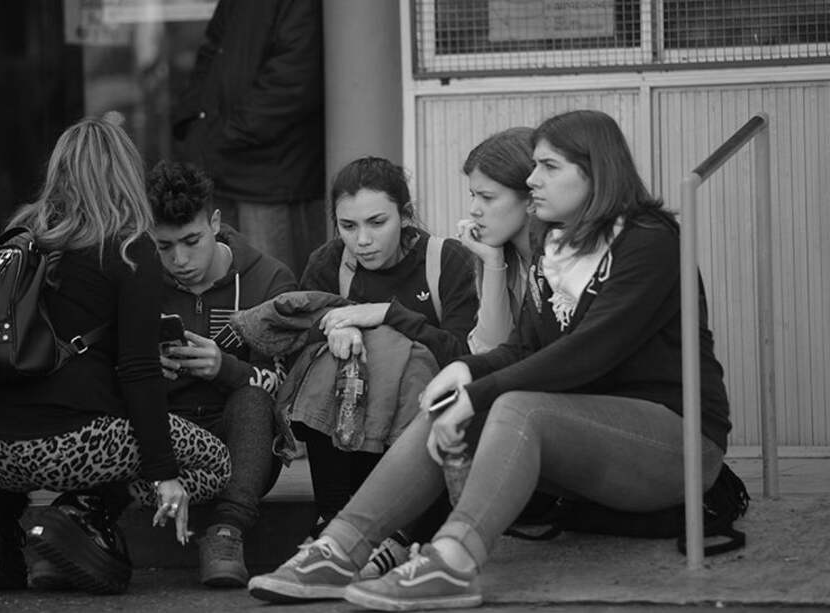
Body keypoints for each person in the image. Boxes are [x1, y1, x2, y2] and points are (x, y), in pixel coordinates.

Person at [247, 110, 732, 610]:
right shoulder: (557, 245)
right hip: (589, 437)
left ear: (595, 172)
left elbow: (587, 354)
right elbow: (523, 348)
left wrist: (477, 391)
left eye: (548, 166)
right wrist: (465, 373)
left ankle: (452, 561)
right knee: (450, 402)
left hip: (678, 442)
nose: (533, 179)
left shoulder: (648, 239)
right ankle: (338, 549)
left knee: (517, 405)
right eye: (534, 166)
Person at [0, 118, 230, 595]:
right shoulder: (129, 248)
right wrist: (165, 477)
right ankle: (84, 512)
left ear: (59, 171)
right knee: (215, 464)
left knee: (41, 411)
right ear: (125, 171)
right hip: (69, 445)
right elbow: (139, 372)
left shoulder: (20, 232)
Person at [292, 155, 478, 565]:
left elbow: (463, 355)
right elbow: (297, 353)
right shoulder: (329, 263)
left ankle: (403, 534)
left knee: (412, 359)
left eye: (377, 223)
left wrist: (387, 314)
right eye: (348, 226)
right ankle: (331, 520)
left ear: (405, 215)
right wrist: (333, 331)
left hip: (423, 439)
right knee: (329, 359)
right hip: (349, 439)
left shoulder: (446, 260)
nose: (362, 240)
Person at [147, 160, 298, 588]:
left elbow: (284, 387)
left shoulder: (269, 278)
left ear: (214, 222)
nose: (179, 259)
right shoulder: (138, 278)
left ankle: (227, 533)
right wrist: (143, 369)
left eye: (191, 241)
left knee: (254, 399)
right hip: (165, 439)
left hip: (241, 445)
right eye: (164, 246)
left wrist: (225, 368)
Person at [172, 0, 326, 278]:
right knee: (231, 287)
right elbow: (212, 52)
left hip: (272, 176)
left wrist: (224, 134)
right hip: (228, 163)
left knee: (270, 289)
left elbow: (294, 79)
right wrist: (196, 125)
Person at [456, 127, 540, 354]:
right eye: (473, 195)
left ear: (531, 199)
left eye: (487, 197)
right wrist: (493, 262)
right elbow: (490, 349)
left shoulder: (560, 260)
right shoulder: (503, 256)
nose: (474, 210)